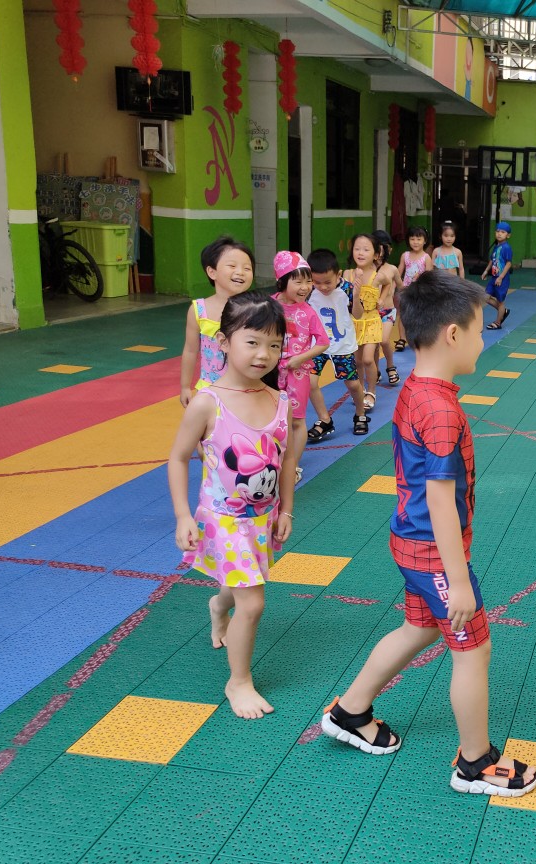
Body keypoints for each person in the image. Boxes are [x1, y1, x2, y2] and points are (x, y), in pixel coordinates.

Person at [321, 269, 536, 798]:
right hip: (433, 553)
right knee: (473, 650)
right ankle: (475, 762)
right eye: (480, 331)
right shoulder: (441, 409)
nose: (483, 340)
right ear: (453, 334)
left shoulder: (417, 389)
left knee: (418, 629)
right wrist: (458, 580)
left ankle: (350, 711)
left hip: (410, 541)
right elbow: (441, 499)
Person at [168, 292, 295, 719]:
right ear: (223, 341)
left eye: (274, 345)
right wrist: (182, 515)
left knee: (240, 585)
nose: (264, 354)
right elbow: (178, 458)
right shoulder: (208, 402)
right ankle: (238, 681)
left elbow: (286, 462)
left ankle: (218, 606)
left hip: (261, 519)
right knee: (253, 603)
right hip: (222, 520)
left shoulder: (279, 401)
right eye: (252, 342)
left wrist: (286, 510)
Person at [272, 251, 329, 481]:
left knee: (297, 420)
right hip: (270, 374)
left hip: (298, 374)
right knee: (270, 418)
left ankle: (292, 467)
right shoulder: (269, 306)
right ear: (282, 280)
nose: (305, 287)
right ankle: (270, 462)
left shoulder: (308, 312)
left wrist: (300, 358)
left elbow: (323, 342)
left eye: (308, 281)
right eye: (298, 281)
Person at [179, 237, 255, 405]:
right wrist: (185, 386)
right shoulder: (199, 310)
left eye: (247, 268)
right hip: (210, 389)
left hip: (247, 389)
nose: (240, 272)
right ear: (212, 272)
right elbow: (190, 350)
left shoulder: (256, 309)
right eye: (232, 266)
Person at [305, 249, 370, 440]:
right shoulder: (309, 291)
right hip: (317, 346)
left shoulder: (347, 289)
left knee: (353, 384)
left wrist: (356, 295)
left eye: (328, 282)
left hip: (342, 346)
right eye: (317, 282)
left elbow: (358, 315)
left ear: (338, 274)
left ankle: (360, 413)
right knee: (309, 382)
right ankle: (324, 419)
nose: (323, 287)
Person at [345, 234, 392, 417]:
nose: (360, 253)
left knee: (367, 359)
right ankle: (360, 390)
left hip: (372, 320)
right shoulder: (347, 274)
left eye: (366, 249)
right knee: (357, 361)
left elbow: (388, 284)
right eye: (357, 249)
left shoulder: (378, 276)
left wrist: (382, 298)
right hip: (354, 322)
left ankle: (371, 391)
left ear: (376, 255)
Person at [373, 229, 405, 385]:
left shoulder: (392, 269)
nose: (379, 253)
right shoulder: (367, 269)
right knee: (373, 345)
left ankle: (390, 366)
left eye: (383, 249)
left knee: (384, 340)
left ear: (389, 250)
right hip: (371, 313)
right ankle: (375, 370)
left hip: (388, 311)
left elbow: (401, 287)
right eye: (376, 249)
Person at [397, 226, 432, 353]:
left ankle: (418, 338)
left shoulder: (426, 257)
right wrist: (398, 286)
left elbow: (428, 276)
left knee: (418, 315)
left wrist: (420, 279)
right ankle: (402, 339)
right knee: (402, 314)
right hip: (406, 290)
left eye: (419, 239)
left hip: (419, 291)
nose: (415, 242)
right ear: (408, 240)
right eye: (412, 239)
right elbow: (398, 272)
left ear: (425, 241)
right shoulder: (405, 255)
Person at [483, 221, 514, 330]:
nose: (499, 234)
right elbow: (492, 260)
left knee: (501, 302)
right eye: (497, 231)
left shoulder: (506, 248)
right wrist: (486, 271)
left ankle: (498, 322)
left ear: (508, 235)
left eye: (503, 232)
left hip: (502, 279)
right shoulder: (496, 246)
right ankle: (503, 311)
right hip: (494, 277)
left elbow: (508, 263)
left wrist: (500, 277)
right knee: (485, 297)